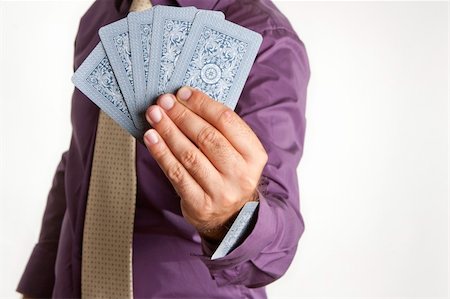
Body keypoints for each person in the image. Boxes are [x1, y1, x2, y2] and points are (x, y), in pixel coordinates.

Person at [17, 0, 310, 298]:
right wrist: (38, 284)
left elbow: (279, 244)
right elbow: (80, 157)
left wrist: (230, 217)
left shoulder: (266, 36)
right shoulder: (99, 14)